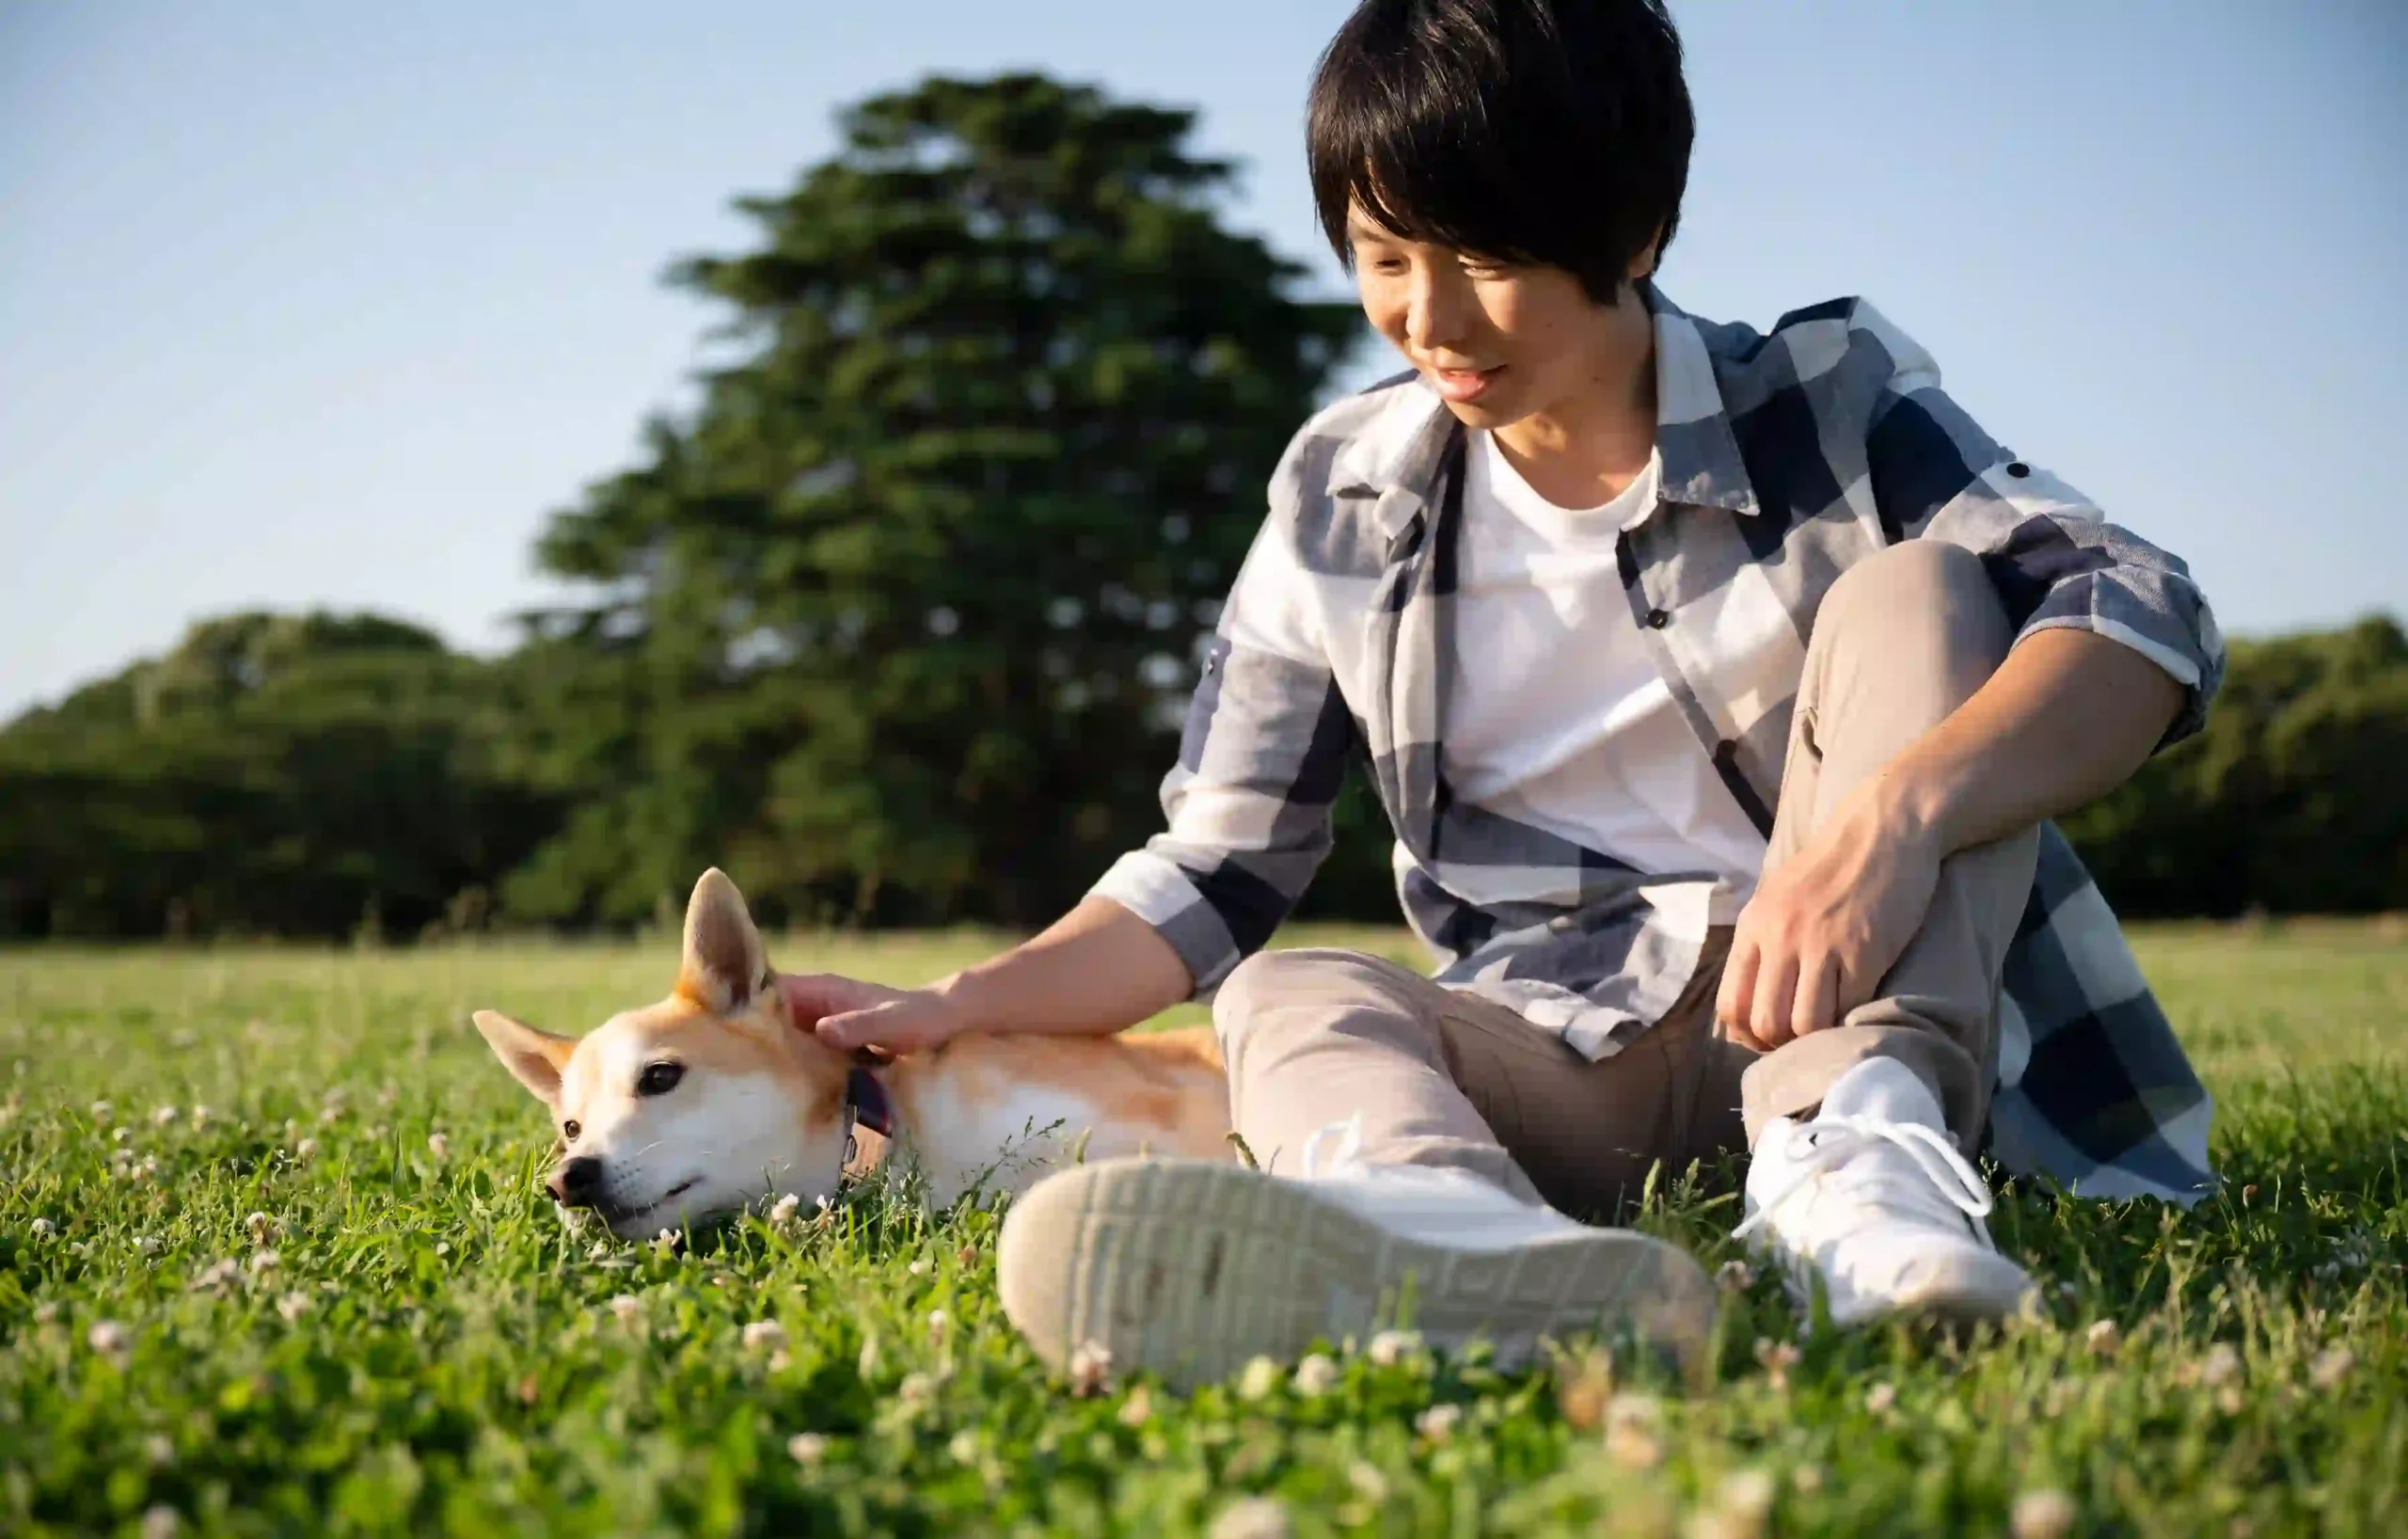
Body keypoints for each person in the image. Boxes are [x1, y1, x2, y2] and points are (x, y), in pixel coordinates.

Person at [782, 0, 2224, 1386]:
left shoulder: (1823, 395)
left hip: (1861, 990)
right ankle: (1465, 1246)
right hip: (1566, 1043)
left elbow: (2138, 608)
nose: (1431, 319)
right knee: (1286, 994)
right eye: (1384, 255)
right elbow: (1216, 864)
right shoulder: (1341, 492)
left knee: (1922, 593)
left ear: (1638, 231)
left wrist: (1891, 823)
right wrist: (961, 1003)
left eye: (1488, 257)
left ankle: (1862, 1190)